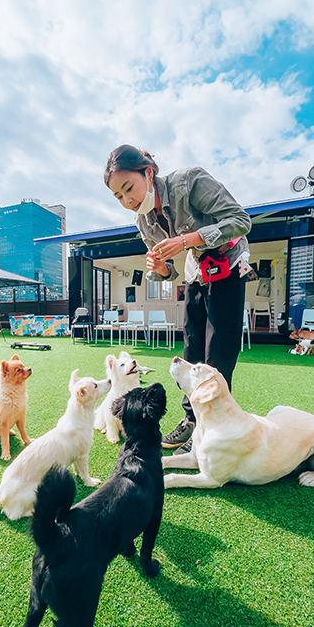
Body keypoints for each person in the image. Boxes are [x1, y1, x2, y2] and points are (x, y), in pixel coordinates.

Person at [104, 144, 251, 454]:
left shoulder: (189, 182)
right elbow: (168, 271)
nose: (127, 201)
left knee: (218, 352)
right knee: (192, 348)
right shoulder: (143, 222)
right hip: (197, 272)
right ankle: (192, 421)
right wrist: (160, 269)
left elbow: (240, 220)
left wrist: (187, 239)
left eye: (128, 188)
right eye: (118, 197)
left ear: (148, 172)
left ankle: (212, 428)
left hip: (228, 264)